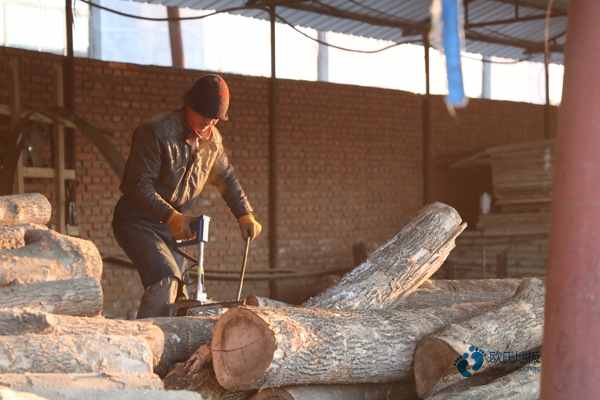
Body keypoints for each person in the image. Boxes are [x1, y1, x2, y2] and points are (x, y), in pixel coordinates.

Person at [112, 74, 262, 318]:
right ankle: (146, 345)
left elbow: (227, 178)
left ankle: (177, 347)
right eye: (204, 117)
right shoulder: (156, 132)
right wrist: (170, 216)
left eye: (214, 120)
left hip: (172, 226)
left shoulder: (212, 141)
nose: (208, 125)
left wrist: (244, 213)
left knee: (183, 293)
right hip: (138, 221)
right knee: (165, 280)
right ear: (189, 106)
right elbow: (136, 185)